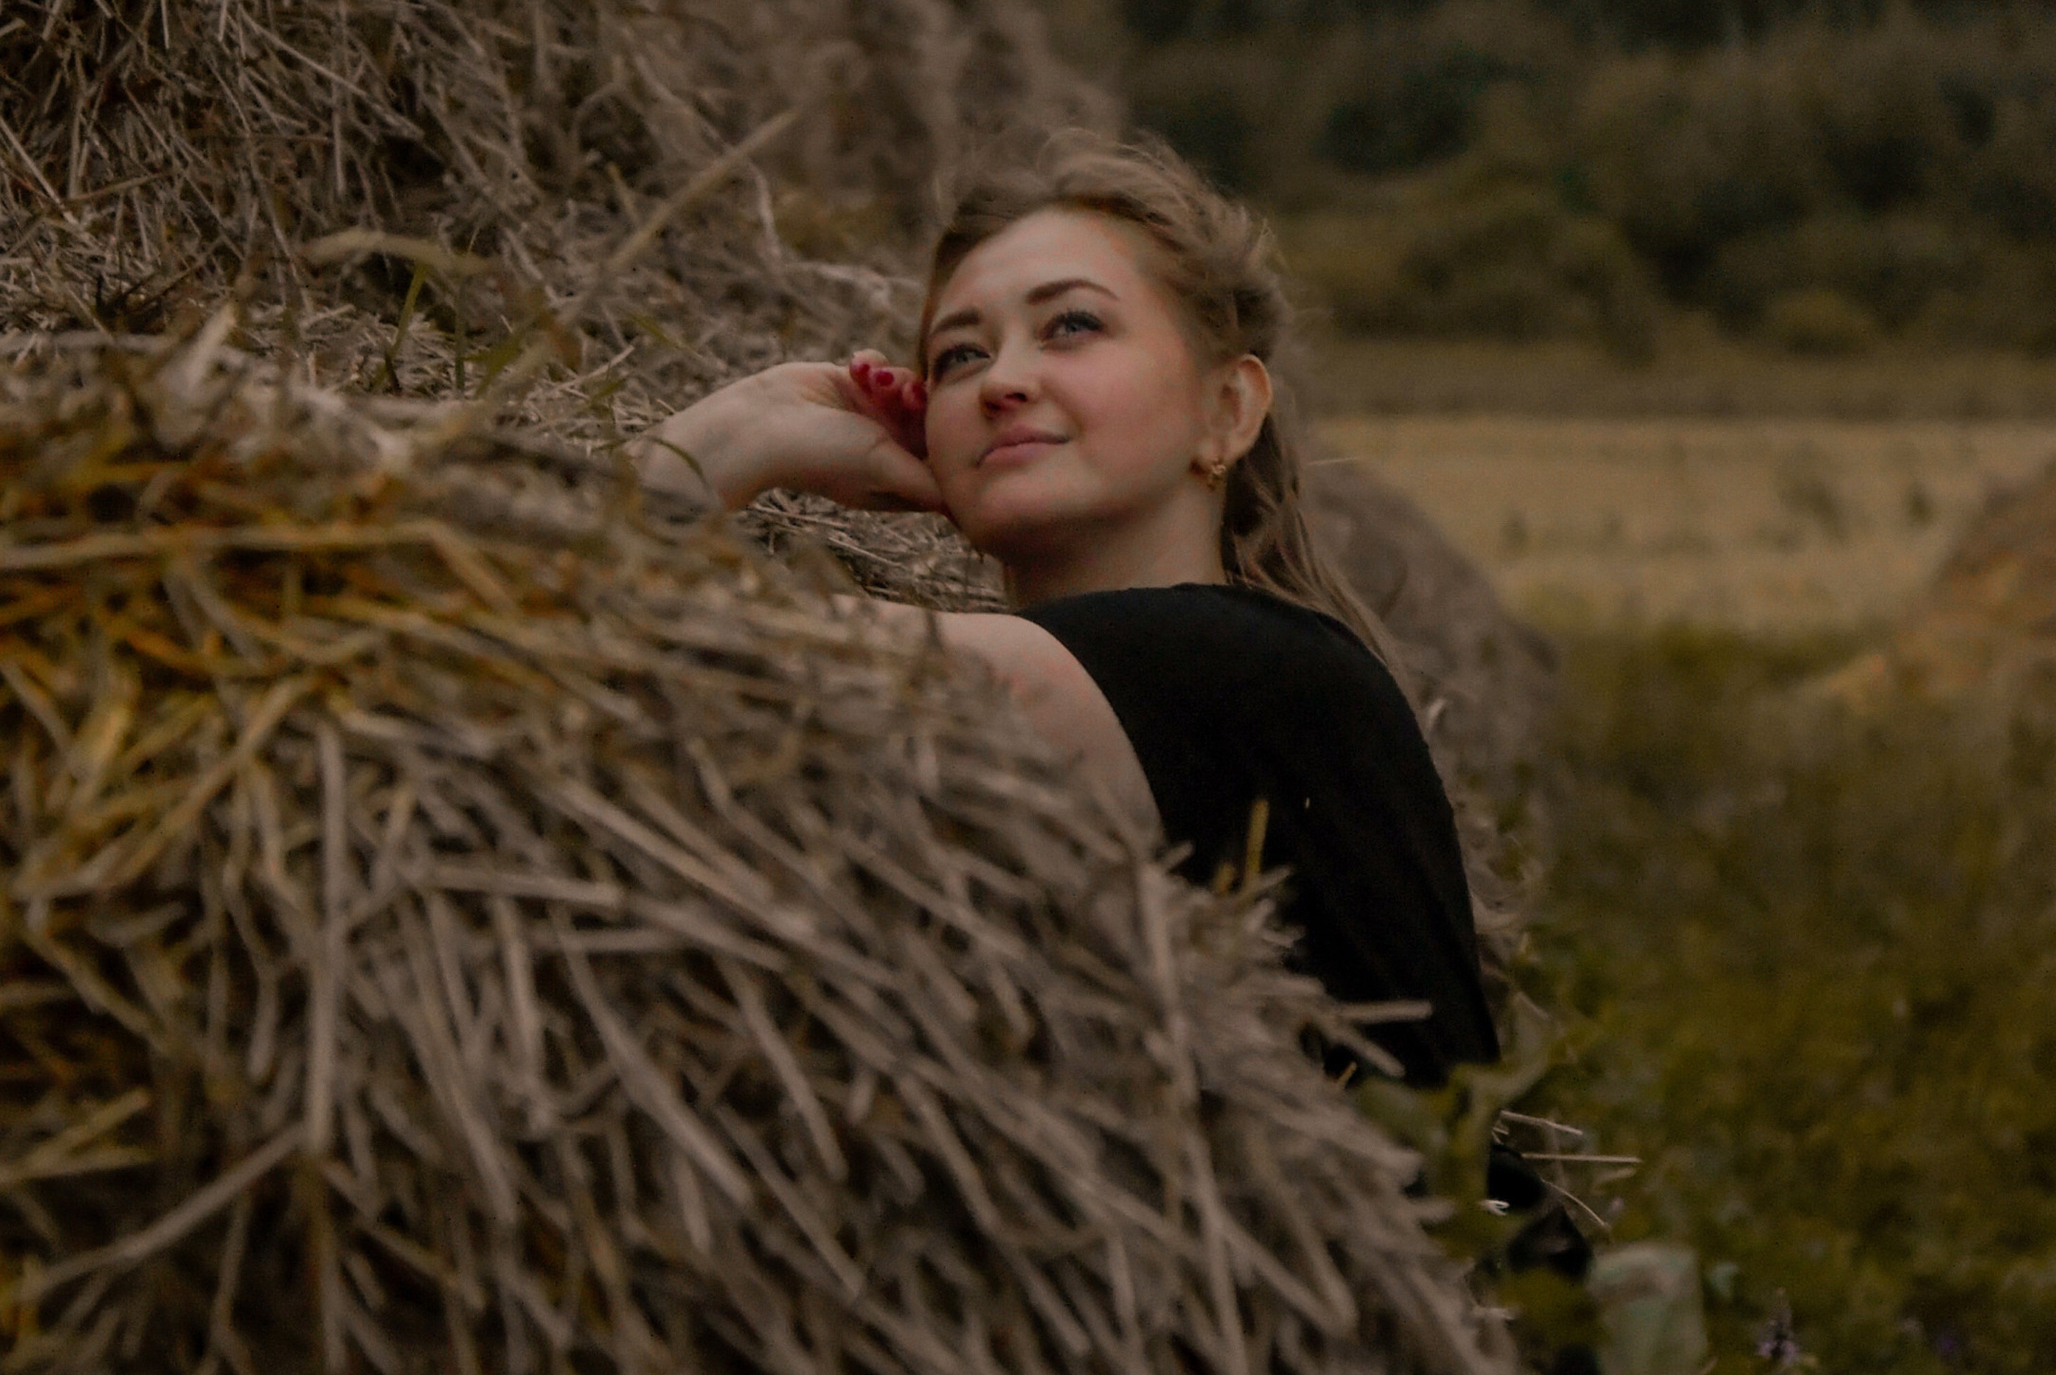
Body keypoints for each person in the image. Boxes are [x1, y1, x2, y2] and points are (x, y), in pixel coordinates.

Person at [632, 131, 1502, 1098]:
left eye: (1072, 327)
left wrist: (734, 435)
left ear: (1226, 409)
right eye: (959, 355)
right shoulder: (1075, 699)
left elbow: (650, 634)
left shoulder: (1255, 669)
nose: (1003, 380)